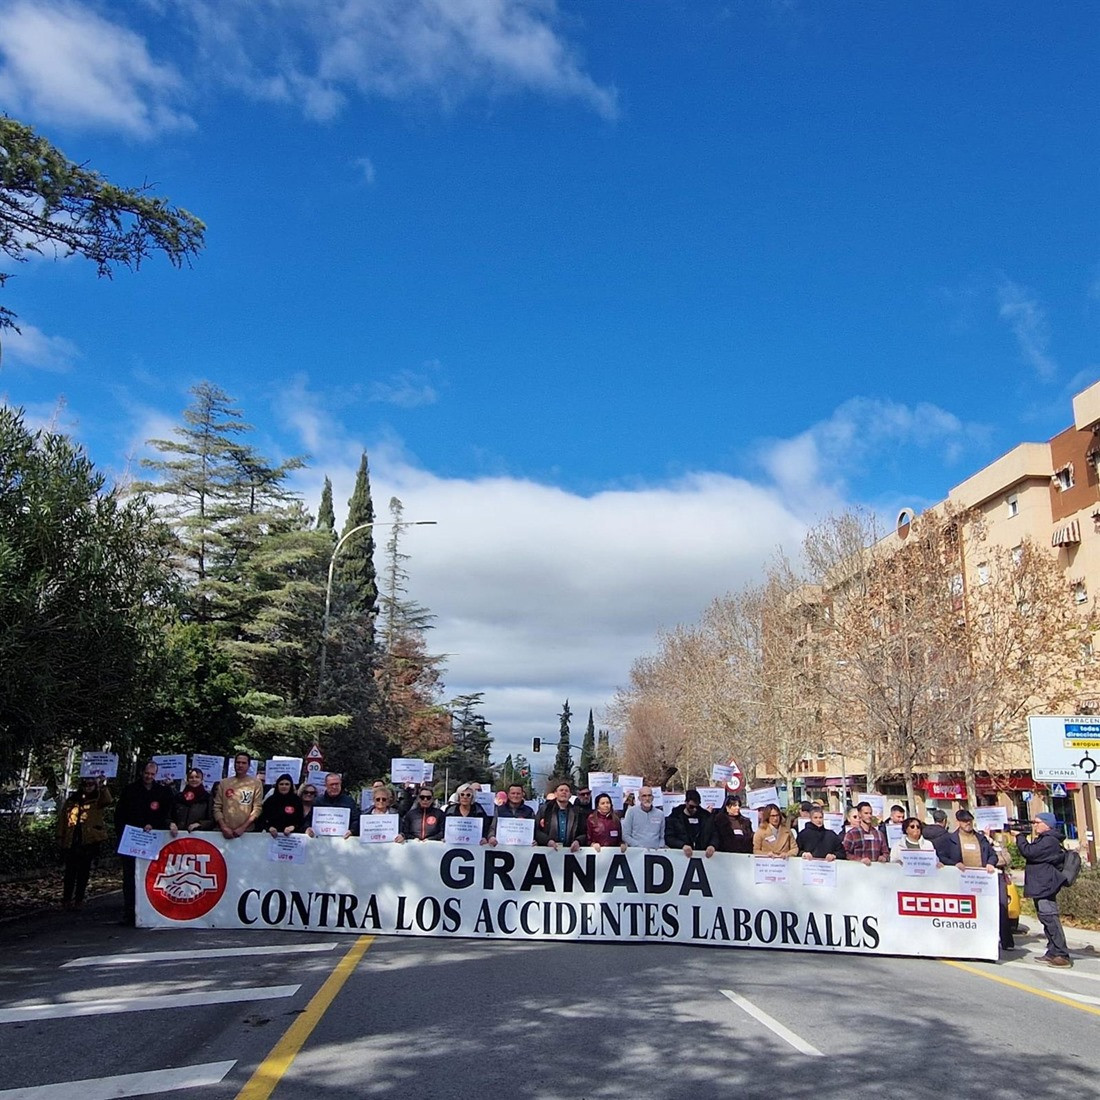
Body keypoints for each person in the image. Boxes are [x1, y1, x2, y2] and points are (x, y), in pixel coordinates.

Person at [115, 760, 173, 925]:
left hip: (152, 840)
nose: (149, 777)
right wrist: (125, 834)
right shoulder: (130, 790)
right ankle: (129, 912)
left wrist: (153, 825)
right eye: (147, 773)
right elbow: (120, 815)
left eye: (152, 774)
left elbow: (167, 811)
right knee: (130, 877)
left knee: (151, 877)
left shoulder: (161, 791)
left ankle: (149, 912)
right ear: (142, 773)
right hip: (132, 839)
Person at [1013, 813, 1072, 967]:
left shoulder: (1049, 841)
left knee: (1050, 918)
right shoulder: (1045, 839)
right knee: (1045, 918)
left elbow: (1029, 852)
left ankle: (1061, 954)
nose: (1035, 825)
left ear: (1047, 825)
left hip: (1046, 885)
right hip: (1042, 884)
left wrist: (1019, 837)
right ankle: (1052, 951)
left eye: (1038, 822)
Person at [57, 776, 113, 910]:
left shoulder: (97, 799)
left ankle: (79, 899)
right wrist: (60, 836)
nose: (88, 787)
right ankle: (66, 899)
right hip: (73, 839)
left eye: (90, 785)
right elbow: (63, 820)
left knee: (83, 872)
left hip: (89, 840)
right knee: (70, 872)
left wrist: (102, 786)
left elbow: (108, 800)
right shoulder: (72, 800)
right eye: (85, 785)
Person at [213, 752, 264, 839]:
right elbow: (217, 807)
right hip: (223, 832)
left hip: (247, 833)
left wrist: (243, 828)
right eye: (238, 762)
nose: (240, 765)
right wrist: (223, 826)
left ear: (248, 765)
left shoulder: (256, 784)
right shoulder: (224, 783)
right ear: (234, 764)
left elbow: (257, 809)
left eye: (244, 763)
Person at [934, 809, 998, 876]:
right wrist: (955, 864)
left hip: (981, 878)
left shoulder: (981, 839)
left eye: (970, 820)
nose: (968, 823)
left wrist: (990, 863)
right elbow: (942, 857)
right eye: (965, 821)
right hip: (960, 878)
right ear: (958, 822)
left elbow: (993, 855)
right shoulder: (950, 840)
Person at [536, 781, 587, 851]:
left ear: (570, 795)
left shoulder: (577, 812)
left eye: (566, 791)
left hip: (570, 853)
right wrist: (547, 841)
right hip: (548, 851)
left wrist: (578, 841)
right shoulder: (545, 809)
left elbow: (584, 832)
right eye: (561, 790)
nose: (564, 792)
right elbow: (536, 830)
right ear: (555, 794)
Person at [664, 789, 716, 858]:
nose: (695, 809)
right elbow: (669, 837)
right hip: (681, 855)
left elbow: (714, 833)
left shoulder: (706, 817)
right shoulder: (675, 817)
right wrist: (682, 845)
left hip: (703, 855)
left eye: (697, 806)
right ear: (686, 802)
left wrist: (712, 845)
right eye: (691, 807)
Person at [309, 772, 360, 838]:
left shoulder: (349, 801)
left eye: (337, 784)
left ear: (340, 784)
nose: (334, 787)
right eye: (331, 784)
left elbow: (356, 820)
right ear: (326, 785)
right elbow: (309, 819)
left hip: (343, 840)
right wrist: (308, 828)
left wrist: (352, 831)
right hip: (320, 841)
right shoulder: (317, 801)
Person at [169, 768, 213, 836]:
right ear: (187, 780)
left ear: (201, 780)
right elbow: (168, 816)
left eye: (197, 777)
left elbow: (212, 820)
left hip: (199, 837)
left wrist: (199, 824)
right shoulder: (178, 797)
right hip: (177, 836)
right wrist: (171, 823)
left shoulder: (207, 798)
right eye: (191, 777)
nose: (194, 779)